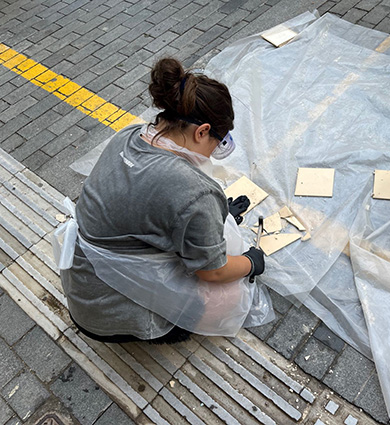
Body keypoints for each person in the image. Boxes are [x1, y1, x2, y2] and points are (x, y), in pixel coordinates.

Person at [55, 58, 269, 344]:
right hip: (115, 319)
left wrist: (207, 218)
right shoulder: (195, 192)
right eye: (218, 143)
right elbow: (214, 272)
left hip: (84, 294)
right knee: (229, 296)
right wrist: (250, 262)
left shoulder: (129, 135)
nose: (213, 152)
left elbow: (143, 205)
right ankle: (165, 329)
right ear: (202, 131)